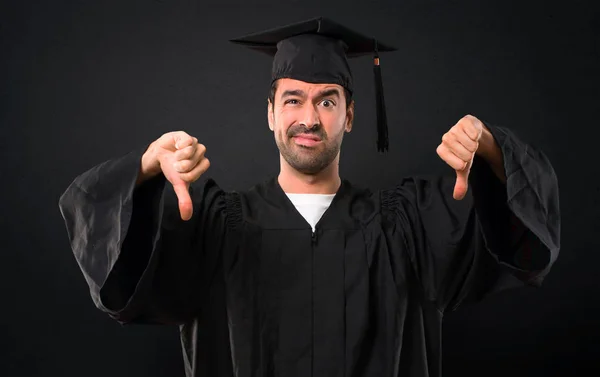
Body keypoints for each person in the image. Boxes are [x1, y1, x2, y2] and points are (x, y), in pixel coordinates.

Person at [58, 17, 560, 377]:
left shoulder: (408, 227)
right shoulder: (214, 227)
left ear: (350, 115)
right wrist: (147, 168)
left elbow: (528, 250)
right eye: (293, 99)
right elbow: (113, 271)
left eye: (327, 100)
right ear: (271, 113)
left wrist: (491, 149)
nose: (309, 117)